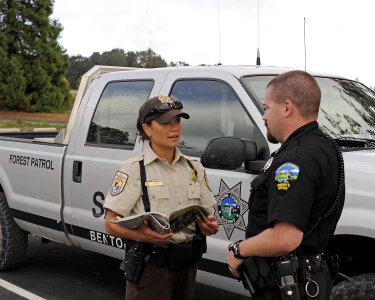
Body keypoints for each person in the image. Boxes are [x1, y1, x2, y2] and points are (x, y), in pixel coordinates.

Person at [226, 71, 345, 299]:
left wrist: (238, 250)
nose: (263, 116)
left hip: (286, 287)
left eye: (267, 107)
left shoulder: (295, 159)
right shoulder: (323, 146)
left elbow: (285, 238)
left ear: (287, 108)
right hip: (308, 279)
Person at [104, 96, 218, 300]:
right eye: (166, 122)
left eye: (177, 121)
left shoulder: (194, 167)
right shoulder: (134, 169)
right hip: (151, 268)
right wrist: (143, 236)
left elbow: (206, 214)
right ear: (147, 129)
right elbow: (111, 224)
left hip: (188, 265)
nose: (174, 128)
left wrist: (209, 226)